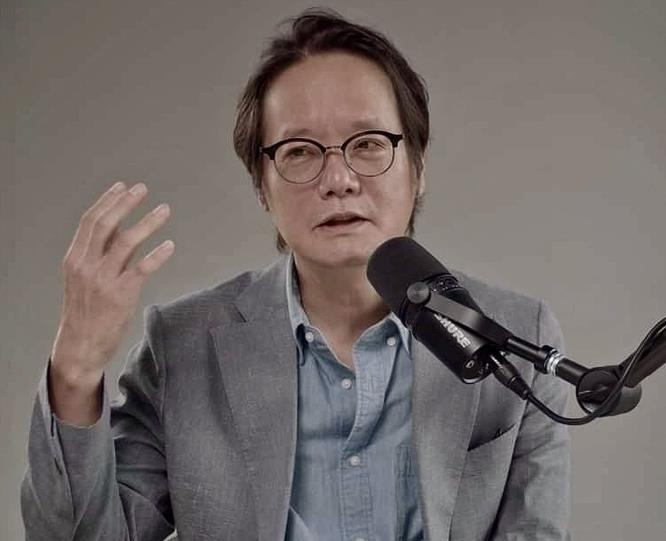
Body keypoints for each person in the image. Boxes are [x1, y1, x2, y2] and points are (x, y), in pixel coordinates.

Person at [21, 7, 571, 541]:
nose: (338, 179)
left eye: (369, 144)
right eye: (300, 152)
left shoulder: (519, 334)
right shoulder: (183, 346)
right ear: (262, 186)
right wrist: (76, 369)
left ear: (418, 168)